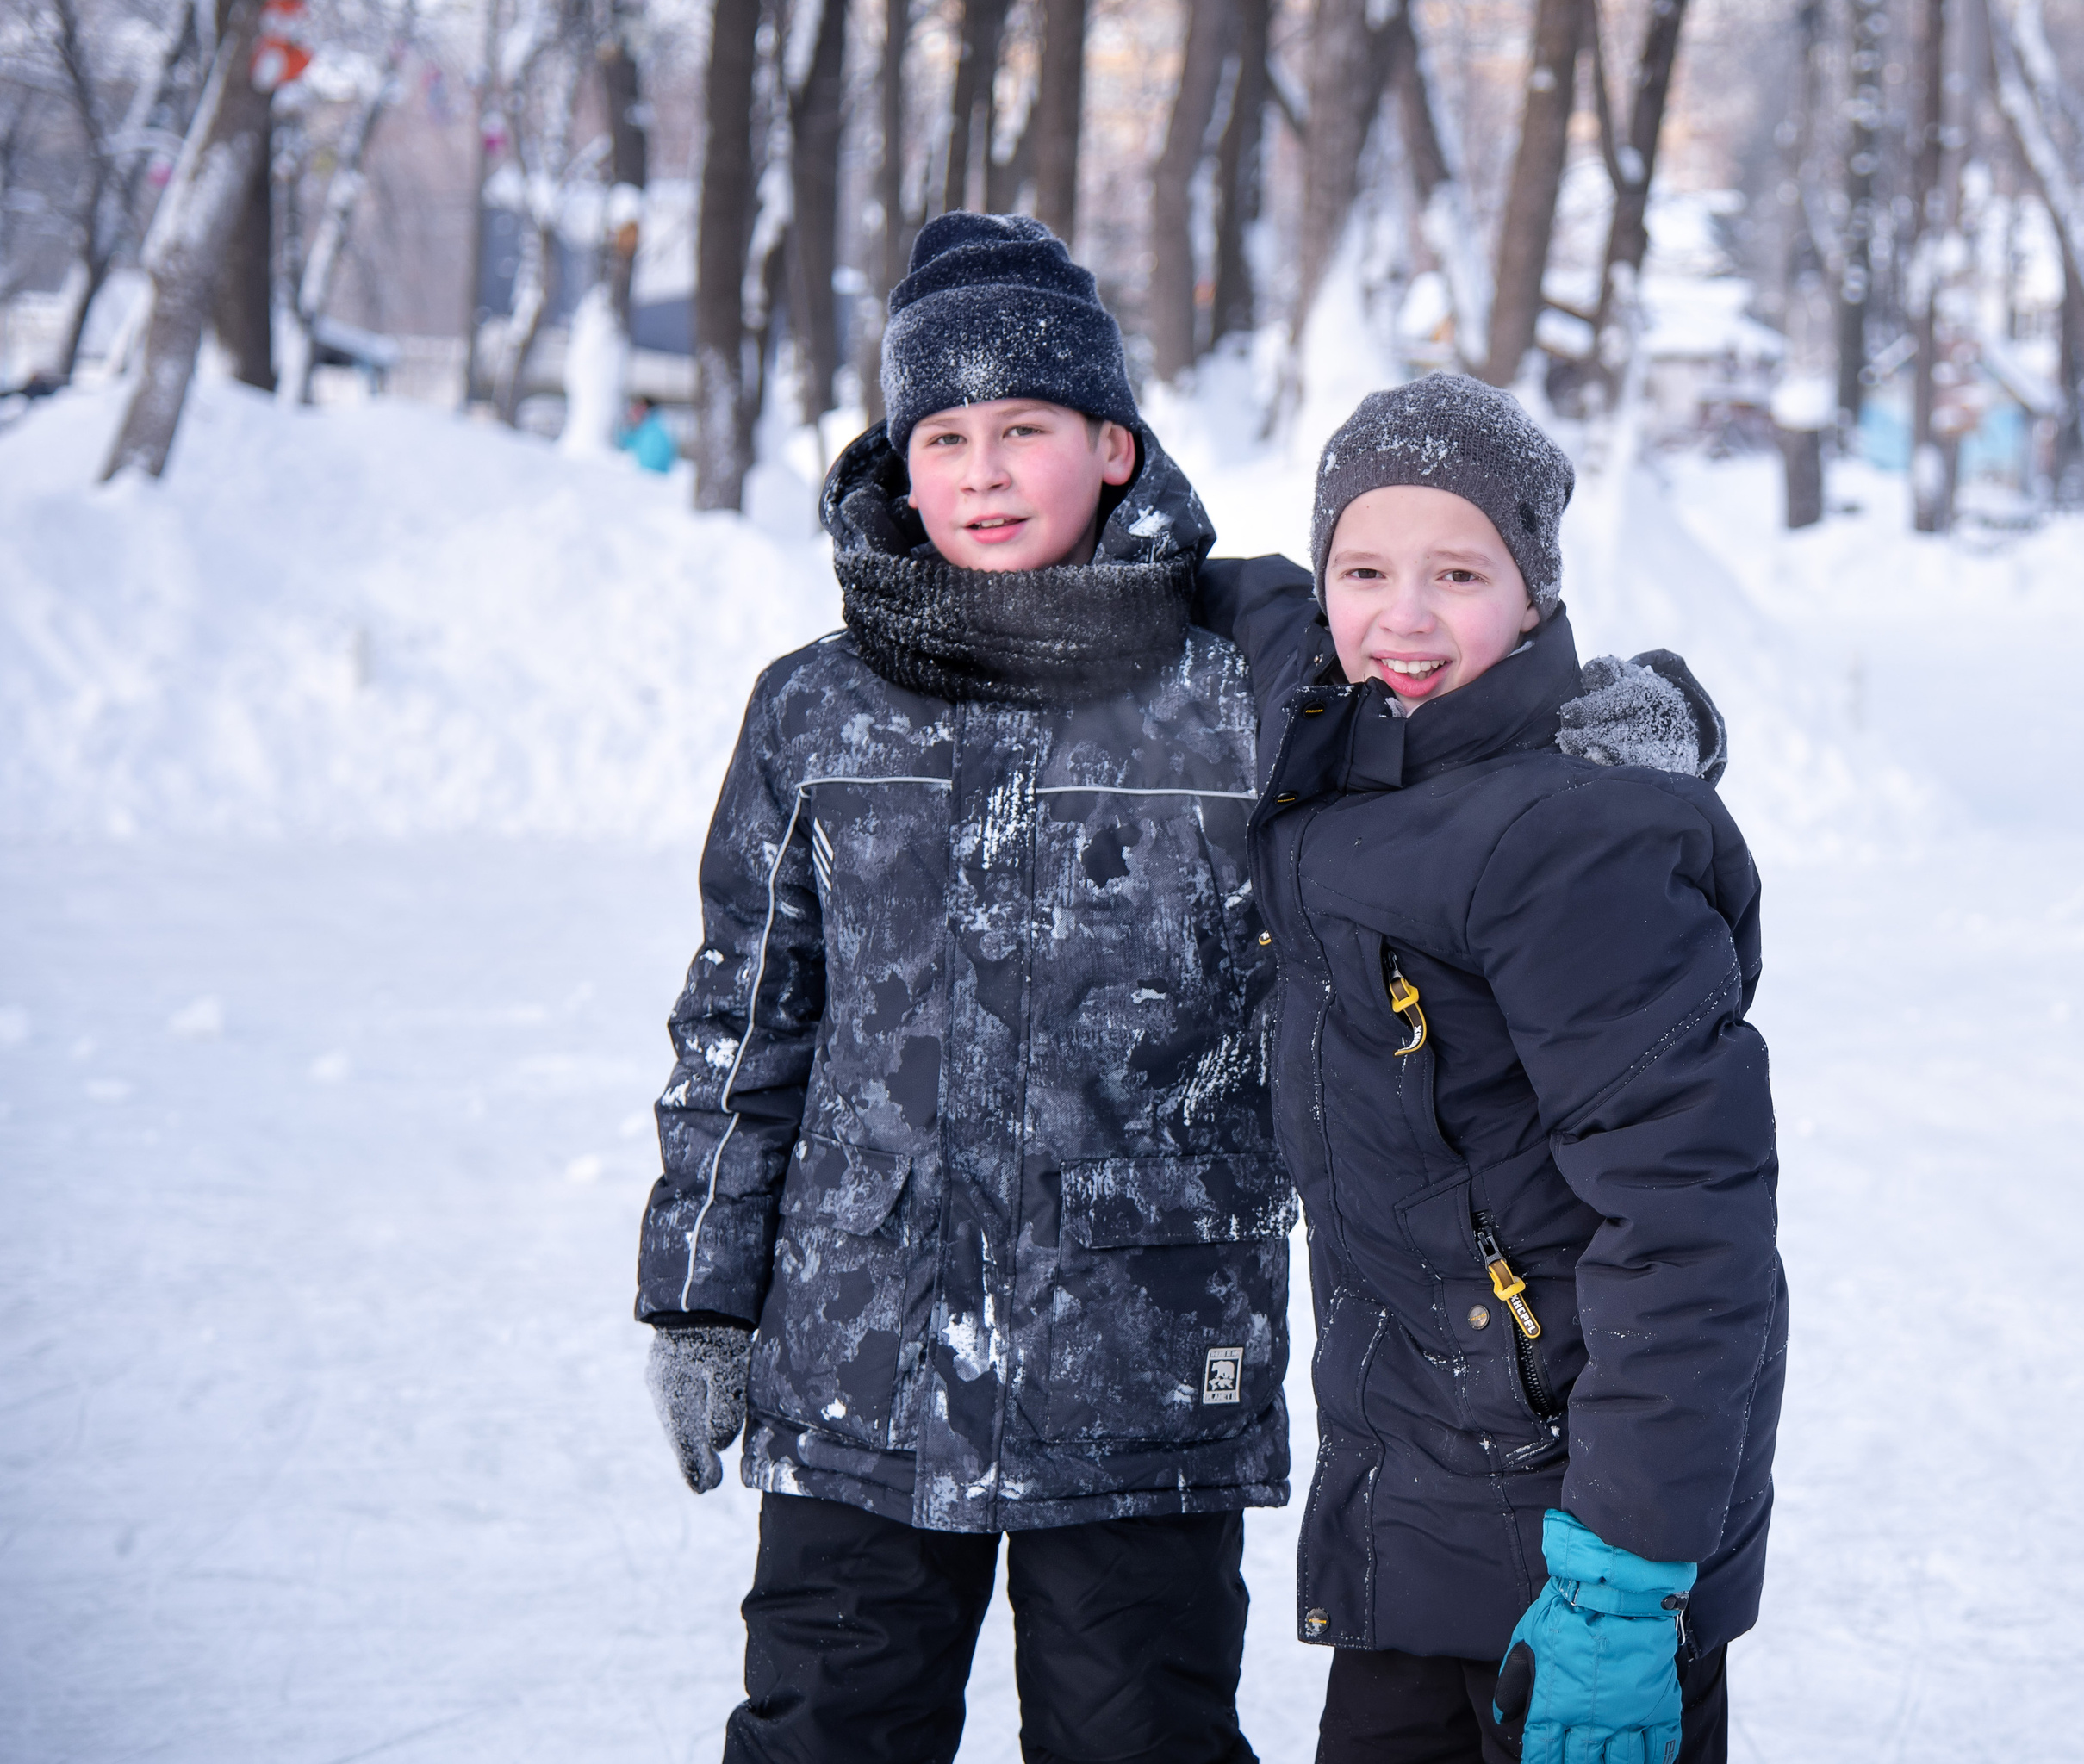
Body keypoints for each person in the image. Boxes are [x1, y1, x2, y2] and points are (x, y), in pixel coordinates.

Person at [633, 212, 1293, 1764]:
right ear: (898, 460)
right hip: (859, 1353)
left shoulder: (1231, 696)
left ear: (1115, 448)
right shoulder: (815, 707)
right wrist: (699, 1294)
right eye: (944, 433)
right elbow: (744, 1019)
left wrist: (1595, 739)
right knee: (825, 1729)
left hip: (1141, 1347)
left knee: (1144, 1736)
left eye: (1026, 428)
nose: (984, 471)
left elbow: (1438, 745)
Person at [1193, 374, 1784, 1764]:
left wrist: (1627, 1581)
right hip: (1416, 1491)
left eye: (1458, 571)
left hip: (1578, 1520)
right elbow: (1243, 595)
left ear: (1535, 596)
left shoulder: (1573, 842)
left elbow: (1690, 1226)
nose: (1402, 614)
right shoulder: (1354, 755)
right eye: (1365, 568)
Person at [619, 395, 677, 472]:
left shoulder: (654, 433)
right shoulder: (646, 430)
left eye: (639, 408)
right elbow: (626, 443)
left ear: (647, 410)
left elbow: (650, 467)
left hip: (652, 479)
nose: (634, 411)